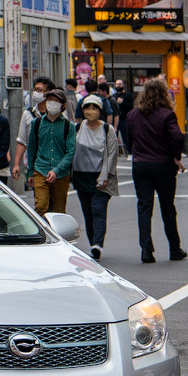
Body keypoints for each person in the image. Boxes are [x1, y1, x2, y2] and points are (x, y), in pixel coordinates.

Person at [123, 78, 188, 263]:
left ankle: (146, 250)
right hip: (163, 165)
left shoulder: (133, 114)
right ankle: (174, 248)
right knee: (168, 207)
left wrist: (136, 153)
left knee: (144, 207)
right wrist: (176, 157)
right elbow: (177, 137)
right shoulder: (166, 114)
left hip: (141, 164)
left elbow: (129, 139)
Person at [71, 94, 122, 259]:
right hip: (81, 176)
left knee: (98, 210)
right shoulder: (76, 128)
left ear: (100, 111)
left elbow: (112, 155)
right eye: (87, 107)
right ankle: (93, 243)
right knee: (87, 212)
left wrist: (105, 175)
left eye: (94, 108)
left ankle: (98, 244)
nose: (90, 111)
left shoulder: (108, 129)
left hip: (101, 177)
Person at [22, 89, 77, 217]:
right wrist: (30, 172)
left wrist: (57, 170)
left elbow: (70, 153)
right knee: (41, 206)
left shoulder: (69, 126)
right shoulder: (37, 123)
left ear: (63, 105)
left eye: (56, 101)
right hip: (40, 169)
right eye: (50, 100)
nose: (52, 103)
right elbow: (32, 149)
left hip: (61, 174)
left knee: (59, 211)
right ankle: (43, 235)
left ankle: (56, 235)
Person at [11, 75, 56, 186]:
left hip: (56, 166)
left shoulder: (58, 113)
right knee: (40, 202)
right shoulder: (28, 114)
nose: (36, 93)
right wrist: (17, 164)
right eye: (35, 90)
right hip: (37, 166)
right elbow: (22, 141)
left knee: (57, 202)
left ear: (48, 92)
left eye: (39, 90)